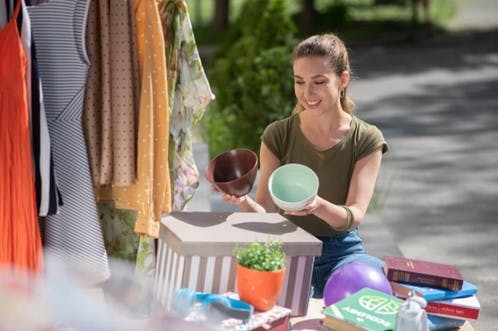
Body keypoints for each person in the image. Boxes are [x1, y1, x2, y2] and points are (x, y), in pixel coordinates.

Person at [220, 33, 389, 298]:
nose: (307, 93)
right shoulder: (278, 134)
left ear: (342, 80)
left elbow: (353, 215)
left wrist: (316, 205)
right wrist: (242, 200)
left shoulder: (366, 138)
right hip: (289, 248)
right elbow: (266, 208)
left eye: (319, 82)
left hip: (343, 252)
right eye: (299, 82)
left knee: (369, 290)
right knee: (283, 301)